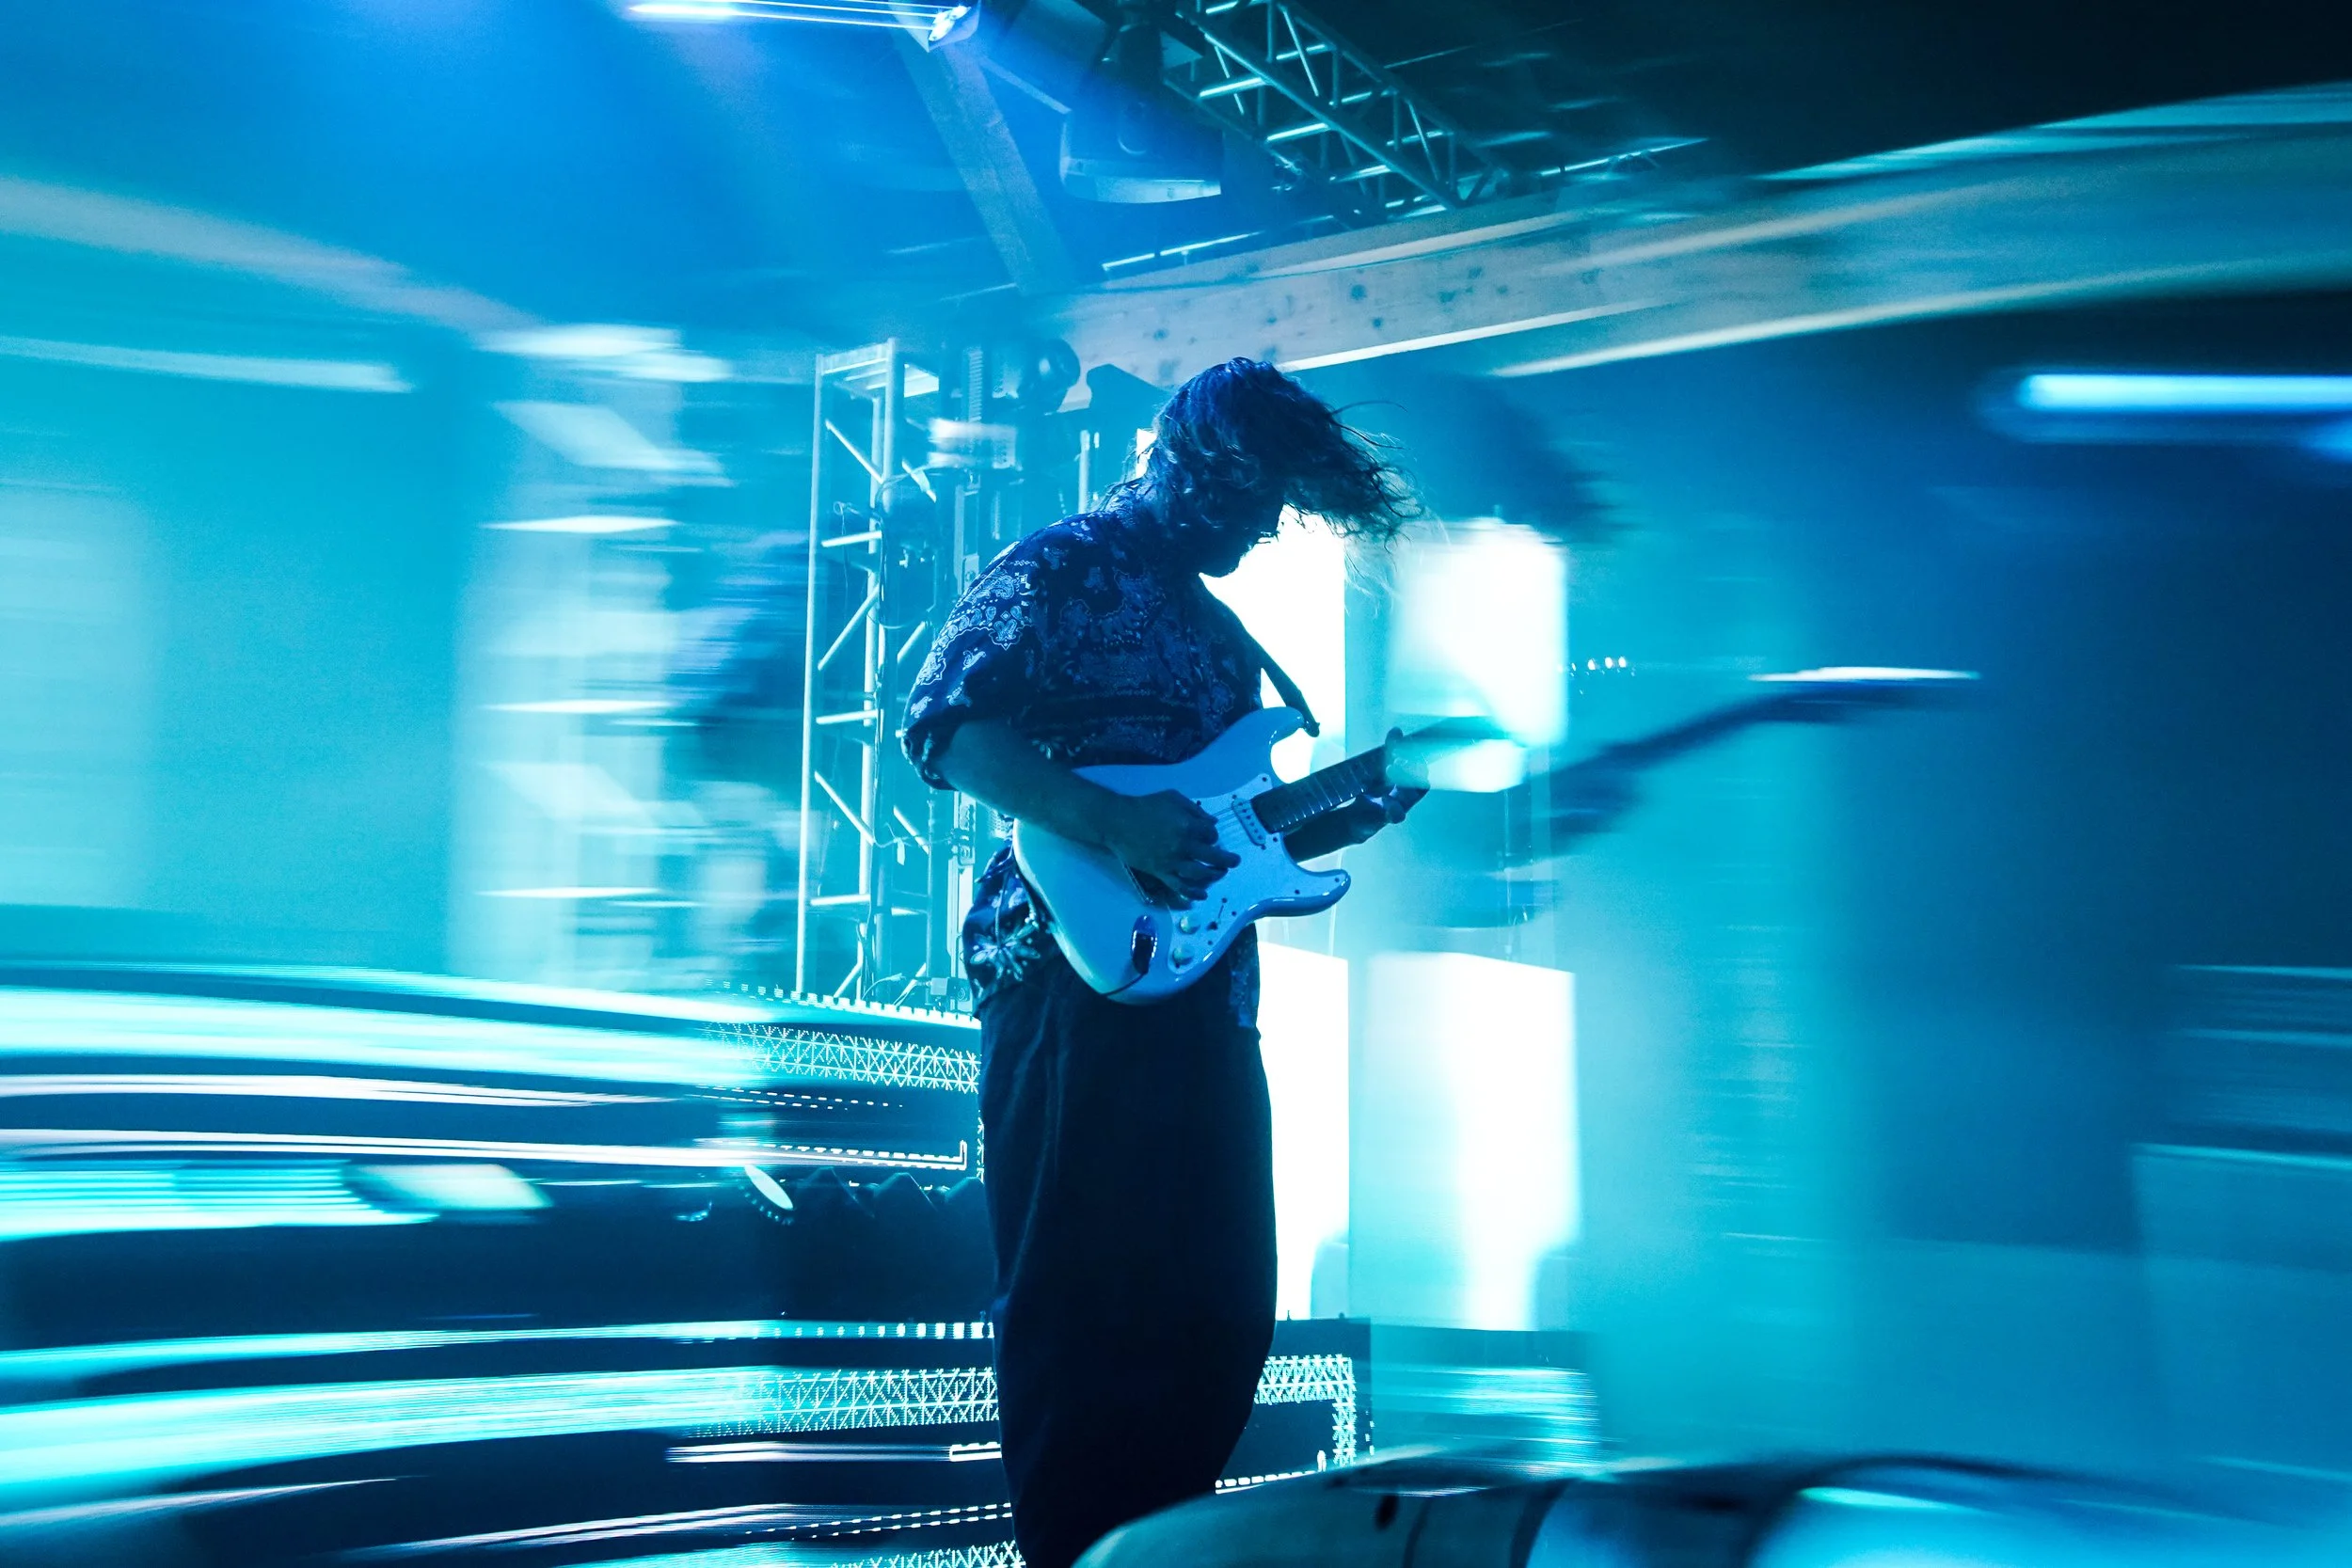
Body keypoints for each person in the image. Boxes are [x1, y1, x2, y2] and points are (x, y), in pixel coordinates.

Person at [899, 358, 1413, 1568]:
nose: (1263, 526)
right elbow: (944, 726)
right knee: (1083, 1312)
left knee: (1219, 1307)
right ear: (1190, 470)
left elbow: (1233, 839)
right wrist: (1115, 823)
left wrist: (1354, 805)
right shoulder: (1062, 566)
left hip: (1203, 1004)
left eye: (1280, 506)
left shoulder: (1224, 638)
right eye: (1251, 501)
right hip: (1064, 982)